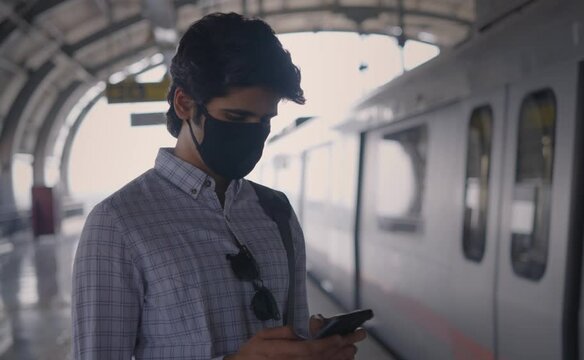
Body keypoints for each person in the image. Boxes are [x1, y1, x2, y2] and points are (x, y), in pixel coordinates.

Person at [72, 12, 366, 360]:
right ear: (184, 104)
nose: (254, 133)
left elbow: (292, 333)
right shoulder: (118, 224)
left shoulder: (276, 210)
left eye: (265, 120)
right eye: (236, 118)